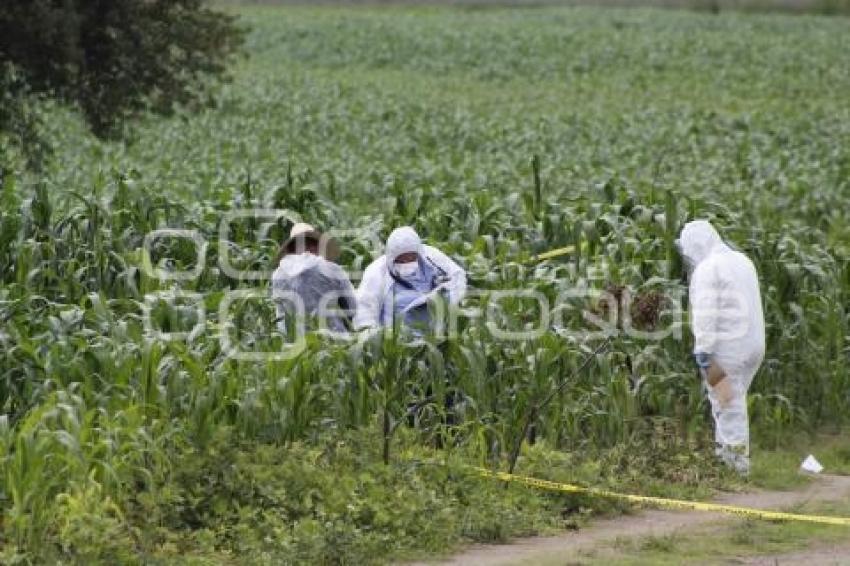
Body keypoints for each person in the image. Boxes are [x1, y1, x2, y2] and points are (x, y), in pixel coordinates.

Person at [677, 220, 765, 475]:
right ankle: (727, 458)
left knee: (727, 404)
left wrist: (703, 350)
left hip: (727, 351)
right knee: (733, 400)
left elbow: (705, 314)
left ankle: (735, 468)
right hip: (753, 345)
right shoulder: (742, 261)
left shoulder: (707, 268)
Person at [354, 226, 466, 332]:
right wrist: (373, 338)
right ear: (391, 257)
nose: (407, 263)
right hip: (398, 338)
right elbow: (364, 308)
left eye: (411, 258)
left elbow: (457, 276)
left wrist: (445, 293)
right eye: (401, 260)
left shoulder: (431, 257)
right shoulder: (377, 272)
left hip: (435, 327)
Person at [271, 223, 356, 335]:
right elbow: (353, 307)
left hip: (296, 344)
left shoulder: (278, 275)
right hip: (335, 341)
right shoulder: (332, 270)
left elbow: (281, 317)